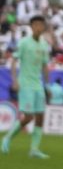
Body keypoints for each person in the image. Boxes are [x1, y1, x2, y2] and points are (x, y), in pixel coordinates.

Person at [2, 15, 51, 158]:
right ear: (31, 27)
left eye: (41, 25)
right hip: (25, 84)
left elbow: (45, 65)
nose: (38, 27)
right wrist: (15, 81)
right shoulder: (24, 42)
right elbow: (13, 61)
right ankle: (7, 138)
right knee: (29, 117)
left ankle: (34, 149)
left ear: (43, 27)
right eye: (35, 25)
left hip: (38, 85)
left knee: (40, 117)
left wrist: (47, 85)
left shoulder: (44, 44)